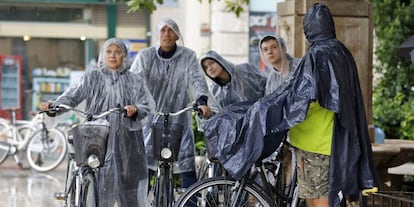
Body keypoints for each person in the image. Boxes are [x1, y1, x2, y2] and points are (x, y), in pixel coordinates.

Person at [201, 3, 377, 207]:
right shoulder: (340, 52)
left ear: (309, 29)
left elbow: (298, 97)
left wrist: (263, 110)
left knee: (318, 199)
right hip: (327, 140)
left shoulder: (319, 55)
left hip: (316, 142)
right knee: (316, 196)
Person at [40, 38, 155, 207]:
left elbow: (146, 106)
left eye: (118, 52)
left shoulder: (134, 80)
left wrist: (135, 109)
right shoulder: (92, 77)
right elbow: (71, 97)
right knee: (98, 189)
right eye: (108, 52)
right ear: (102, 55)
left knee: (130, 193)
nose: (113, 56)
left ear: (124, 56)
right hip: (97, 140)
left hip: (128, 146)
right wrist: (54, 108)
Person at [130, 17, 211, 190]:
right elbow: (133, 81)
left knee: (186, 163)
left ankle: (190, 201)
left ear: (177, 35)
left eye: (171, 30)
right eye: (163, 30)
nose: (166, 34)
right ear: (158, 34)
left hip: (179, 117)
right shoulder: (145, 56)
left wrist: (201, 100)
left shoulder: (188, 56)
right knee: (145, 165)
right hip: (151, 117)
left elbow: (197, 79)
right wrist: (133, 104)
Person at [200, 50, 266, 109]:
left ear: (219, 61)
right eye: (206, 67)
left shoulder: (244, 70)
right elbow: (221, 114)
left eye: (211, 63)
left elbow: (266, 85)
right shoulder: (215, 90)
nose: (210, 68)